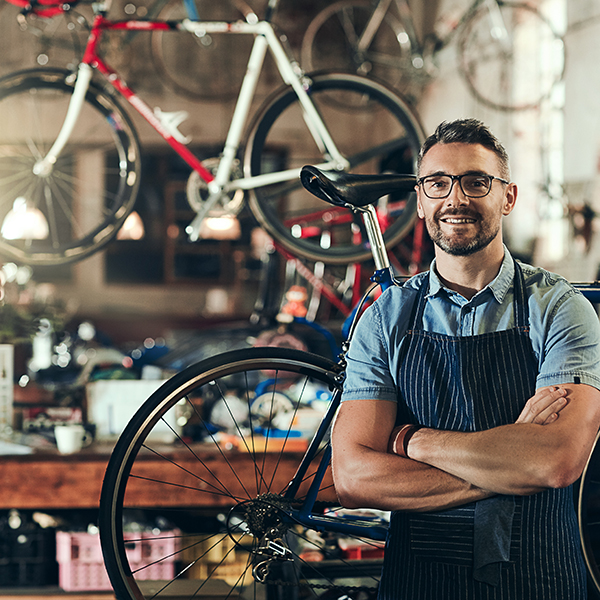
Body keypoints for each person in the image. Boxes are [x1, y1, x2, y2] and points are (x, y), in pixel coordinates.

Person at [332, 118, 600, 599]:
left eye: (477, 182)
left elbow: (555, 462)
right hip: (419, 584)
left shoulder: (560, 309)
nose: (455, 199)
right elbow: (353, 477)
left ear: (508, 197)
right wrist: (512, 465)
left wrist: (412, 440)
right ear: (420, 200)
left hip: (540, 580)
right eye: (437, 183)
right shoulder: (385, 319)